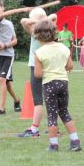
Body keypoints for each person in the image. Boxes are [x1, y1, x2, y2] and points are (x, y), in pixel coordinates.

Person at [34, 18, 81, 152]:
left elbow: (37, 74)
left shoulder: (39, 53)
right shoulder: (63, 48)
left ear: (39, 35)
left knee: (52, 115)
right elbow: (70, 66)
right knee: (64, 112)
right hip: (63, 83)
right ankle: (75, 142)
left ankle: (54, 145)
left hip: (49, 84)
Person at [18, 7, 55, 138]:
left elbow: (23, 20)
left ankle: (34, 129)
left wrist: (37, 20)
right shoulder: (50, 31)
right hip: (51, 67)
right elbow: (54, 16)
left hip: (37, 67)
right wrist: (43, 19)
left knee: (38, 100)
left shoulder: (35, 31)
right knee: (51, 98)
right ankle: (53, 127)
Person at [0, 0, 31, 114]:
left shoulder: (9, 24)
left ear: (3, 8)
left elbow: (15, 40)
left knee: (2, 80)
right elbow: (5, 15)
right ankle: (17, 100)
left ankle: (1, 108)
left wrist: (5, 45)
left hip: (8, 55)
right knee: (7, 83)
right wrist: (22, 9)